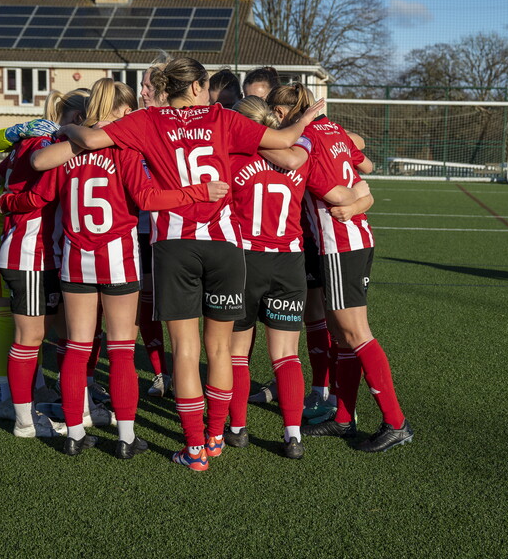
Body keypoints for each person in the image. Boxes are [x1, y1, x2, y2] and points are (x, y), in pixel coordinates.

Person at [34, 57, 325, 470]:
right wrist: (309, 118)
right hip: (224, 245)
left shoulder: (147, 121)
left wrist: (67, 127)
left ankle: (193, 450)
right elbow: (286, 142)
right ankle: (217, 435)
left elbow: (92, 139)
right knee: (221, 349)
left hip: (174, 246)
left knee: (185, 351)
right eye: (205, 86)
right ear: (196, 88)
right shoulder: (221, 117)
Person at [5, 78, 229, 457]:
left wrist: (9, 201)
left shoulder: (70, 149)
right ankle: (126, 437)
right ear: (123, 110)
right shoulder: (124, 146)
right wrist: (196, 193)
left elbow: (39, 182)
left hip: (76, 259)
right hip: (118, 258)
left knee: (76, 347)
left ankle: (75, 433)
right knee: (122, 350)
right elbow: (148, 197)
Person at [267, 84, 414, 453]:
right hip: (358, 239)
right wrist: (362, 199)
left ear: (284, 114)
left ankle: (396, 422)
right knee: (341, 333)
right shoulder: (331, 129)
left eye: (274, 114)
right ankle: (344, 418)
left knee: (356, 333)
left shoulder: (308, 142)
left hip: (340, 244)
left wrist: (354, 202)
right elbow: (365, 165)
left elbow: (336, 194)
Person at [226, 94, 367, 459]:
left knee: (237, 354)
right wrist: (361, 198)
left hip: (245, 260)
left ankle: (237, 428)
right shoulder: (301, 158)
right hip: (289, 262)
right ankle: (292, 436)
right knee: (287, 355)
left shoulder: (233, 156)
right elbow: (341, 186)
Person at [0, 89, 90, 440]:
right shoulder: (47, 147)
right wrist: (11, 200)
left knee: (48, 335)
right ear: (79, 120)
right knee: (29, 338)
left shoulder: (41, 141)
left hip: (44, 254)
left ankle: (42, 405)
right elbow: (42, 193)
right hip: (29, 253)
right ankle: (24, 421)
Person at [138, 61, 174, 399]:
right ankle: (162, 374)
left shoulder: (183, 127)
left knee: (181, 309)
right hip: (142, 231)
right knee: (146, 306)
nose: (143, 91)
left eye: (149, 86)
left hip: (177, 234)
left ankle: (183, 370)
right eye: (142, 85)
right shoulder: (137, 124)